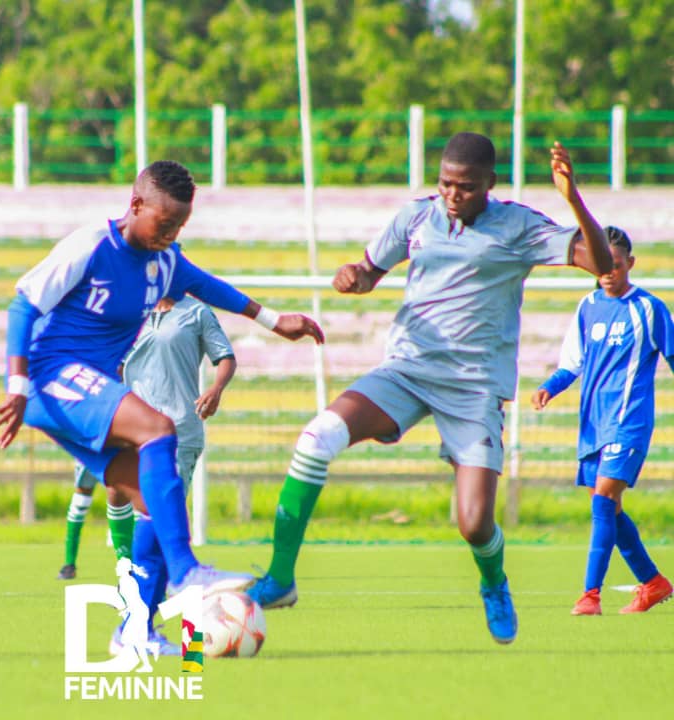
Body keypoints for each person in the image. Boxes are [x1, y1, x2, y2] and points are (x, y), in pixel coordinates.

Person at [246, 134, 613, 646]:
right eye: (445, 184)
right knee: (316, 436)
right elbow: (370, 271)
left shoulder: (520, 226)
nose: (452, 195)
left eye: (465, 187)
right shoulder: (415, 217)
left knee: (473, 524)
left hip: (473, 388)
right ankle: (280, 578)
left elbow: (602, 265)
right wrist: (354, 276)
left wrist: (573, 201)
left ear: (490, 184)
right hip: (407, 369)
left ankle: (494, 582)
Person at [0, 160, 323, 606]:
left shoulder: (166, 260)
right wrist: (17, 385)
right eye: (165, 223)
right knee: (159, 428)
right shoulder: (91, 244)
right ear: (136, 204)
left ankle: (136, 630)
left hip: (87, 386)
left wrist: (275, 322)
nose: (172, 234)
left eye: (180, 225)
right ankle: (186, 572)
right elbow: (22, 307)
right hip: (51, 376)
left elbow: (209, 286)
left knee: (158, 502)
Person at [531, 227, 674, 616]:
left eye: (615, 264)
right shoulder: (587, 306)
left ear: (630, 263)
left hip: (629, 420)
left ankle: (590, 595)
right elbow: (572, 363)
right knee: (607, 508)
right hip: (593, 422)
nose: (608, 272)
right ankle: (653, 583)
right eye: (600, 265)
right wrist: (549, 387)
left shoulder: (649, 309)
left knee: (603, 499)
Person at [57, 295, 235, 586]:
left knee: (161, 510)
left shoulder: (197, 312)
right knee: (116, 490)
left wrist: (216, 389)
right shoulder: (130, 312)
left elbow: (225, 356)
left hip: (178, 428)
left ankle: (166, 587)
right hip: (133, 424)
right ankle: (128, 572)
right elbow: (112, 363)